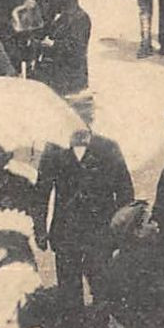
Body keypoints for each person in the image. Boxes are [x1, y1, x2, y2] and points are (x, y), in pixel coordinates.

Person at [35, 127, 133, 309]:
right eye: (75, 108)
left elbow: (125, 191)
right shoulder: (53, 148)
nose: (80, 117)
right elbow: (41, 193)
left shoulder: (108, 147)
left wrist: (122, 232)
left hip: (100, 234)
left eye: (86, 108)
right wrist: (39, 229)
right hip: (65, 235)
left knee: (102, 289)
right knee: (68, 293)